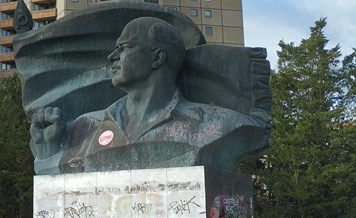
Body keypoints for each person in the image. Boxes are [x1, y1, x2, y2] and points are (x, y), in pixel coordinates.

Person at [29, 16, 267, 173]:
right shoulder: (83, 128)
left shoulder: (221, 125)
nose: (112, 57)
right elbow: (56, 195)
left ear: (157, 57)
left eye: (125, 48)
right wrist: (48, 151)